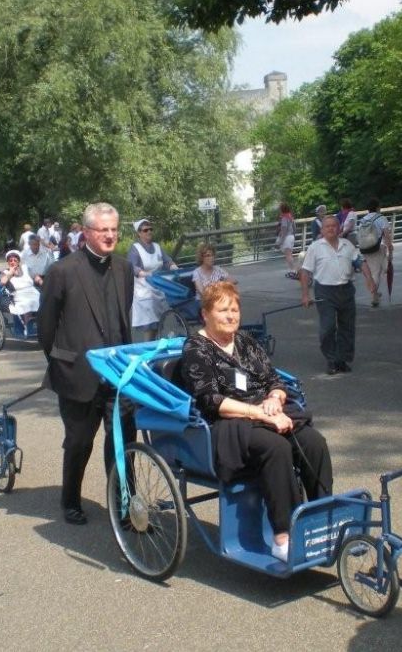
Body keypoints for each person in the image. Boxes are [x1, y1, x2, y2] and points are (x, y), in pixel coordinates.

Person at [179, 282, 334, 562]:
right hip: (226, 424)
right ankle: (283, 537)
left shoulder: (246, 341)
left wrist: (275, 398)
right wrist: (260, 413)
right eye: (223, 310)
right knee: (276, 447)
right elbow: (212, 401)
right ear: (205, 314)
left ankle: (323, 522)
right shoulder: (195, 348)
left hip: (264, 414)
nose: (231, 316)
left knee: (313, 442)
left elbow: (274, 379)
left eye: (235, 309)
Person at [37, 202, 135, 526]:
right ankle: (70, 500)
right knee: (79, 442)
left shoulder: (124, 269)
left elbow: (125, 320)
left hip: (117, 374)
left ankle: (124, 504)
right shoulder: (62, 271)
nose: (109, 235)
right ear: (87, 232)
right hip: (78, 374)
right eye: (102, 230)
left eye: (113, 229)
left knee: (122, 440)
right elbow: (46, 328)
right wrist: (63, 360)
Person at [299, 214, 376, 374]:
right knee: (327, 328)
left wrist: (369, 280)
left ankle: (342, 360)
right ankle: (331, 359)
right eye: (327, 226)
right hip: (325, 291)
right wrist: (305, 294)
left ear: (339, 228)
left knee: (347, 327)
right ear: (322, 229)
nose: (331, 229)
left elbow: (360, 262)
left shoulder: (347, 245)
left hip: (346, 290)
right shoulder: (315, 247)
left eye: (334, 226)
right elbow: (305, 271)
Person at [128, 218, 177, 341]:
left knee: (158, 324)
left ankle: (155, 349)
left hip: (158, 287)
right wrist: (142, 273)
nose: (149, 232)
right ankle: (148, 351)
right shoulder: (135, 248)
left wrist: (173, 266)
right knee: (149, 326)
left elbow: (166, 260)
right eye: (145, 230)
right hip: (144, 290)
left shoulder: (157, 246)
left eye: (150, 229)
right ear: (139, 233)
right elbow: (132, 266)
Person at [358, 198, 393, 308]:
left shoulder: (363, 219)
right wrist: (390, 247)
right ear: (378, 207)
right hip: (377, 247)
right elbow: (386, 235)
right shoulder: (381, 218)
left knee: (373, 270)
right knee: (376, 272)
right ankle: (374, 297)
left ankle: (375, 292)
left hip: (365, 248)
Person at [0, 249, 40, 325]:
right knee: (26, 303)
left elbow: (35, 276)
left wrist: (39, 280)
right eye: (10, 260)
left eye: (15, 260)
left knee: (43, 300)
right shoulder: (5, 272)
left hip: (32, 292)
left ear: (18, 261)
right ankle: (27, 325)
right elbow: (3, 282)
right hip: (18, 295)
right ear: (8, 262)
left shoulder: (25, 268)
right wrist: (10, 273)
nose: (13, 262)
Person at [276, 202, 297, 278]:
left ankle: (293, 271)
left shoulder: (284, 218)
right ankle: (292, 270)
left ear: (282, 209)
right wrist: (293, 236)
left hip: (287, 237)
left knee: (288, 256)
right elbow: (294, 228)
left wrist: (280, 241)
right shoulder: (290, 217)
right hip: (291, 237)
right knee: (290, 255)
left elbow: (284, 230)